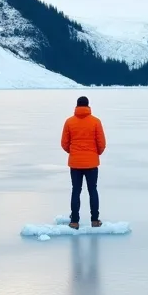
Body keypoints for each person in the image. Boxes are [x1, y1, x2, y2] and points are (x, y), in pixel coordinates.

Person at [61, 95, 106, 229]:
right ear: (88, 106)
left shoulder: (69, 122)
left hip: (75, 163)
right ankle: (95, 220)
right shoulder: (96, 122)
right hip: (92, 163)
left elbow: (64, 143)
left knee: (76, 190)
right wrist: (95, 154)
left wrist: (73, 152)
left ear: (77, 105)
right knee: (93, 190)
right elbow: (102, 143)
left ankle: (74, 221)